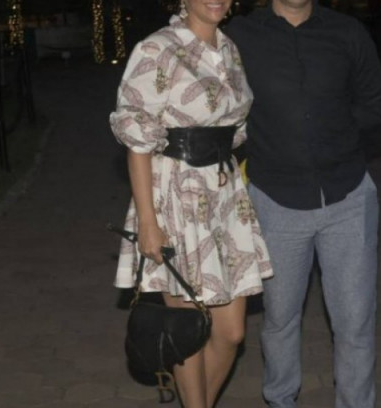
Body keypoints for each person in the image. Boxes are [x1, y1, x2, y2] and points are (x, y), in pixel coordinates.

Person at [109, 0, 273, 406]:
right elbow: (138, 142)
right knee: (187, 329)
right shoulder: (156, 48)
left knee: (231, 333)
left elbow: (236, 127)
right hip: (176, 194)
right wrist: (148, 222)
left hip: (224, 197)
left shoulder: (229, 49)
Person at [226, 1, 381, 407]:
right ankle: (280, 400)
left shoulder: (348, 32)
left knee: (355, 322)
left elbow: (374, 104)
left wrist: (332, 132)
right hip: (275, 200)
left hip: (348, 195)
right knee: (280, 319)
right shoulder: (241, 36)